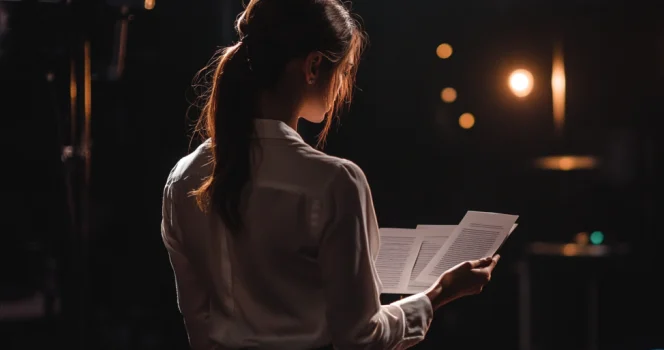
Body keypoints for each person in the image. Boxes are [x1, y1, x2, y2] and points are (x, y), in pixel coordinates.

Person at [160, 0, 501, 349]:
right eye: (345, 71)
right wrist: (438, 294)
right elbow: (361, 340)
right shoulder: (334, 183)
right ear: (313, 66)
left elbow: (197, 324)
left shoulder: (182, 179)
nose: (343, 87)